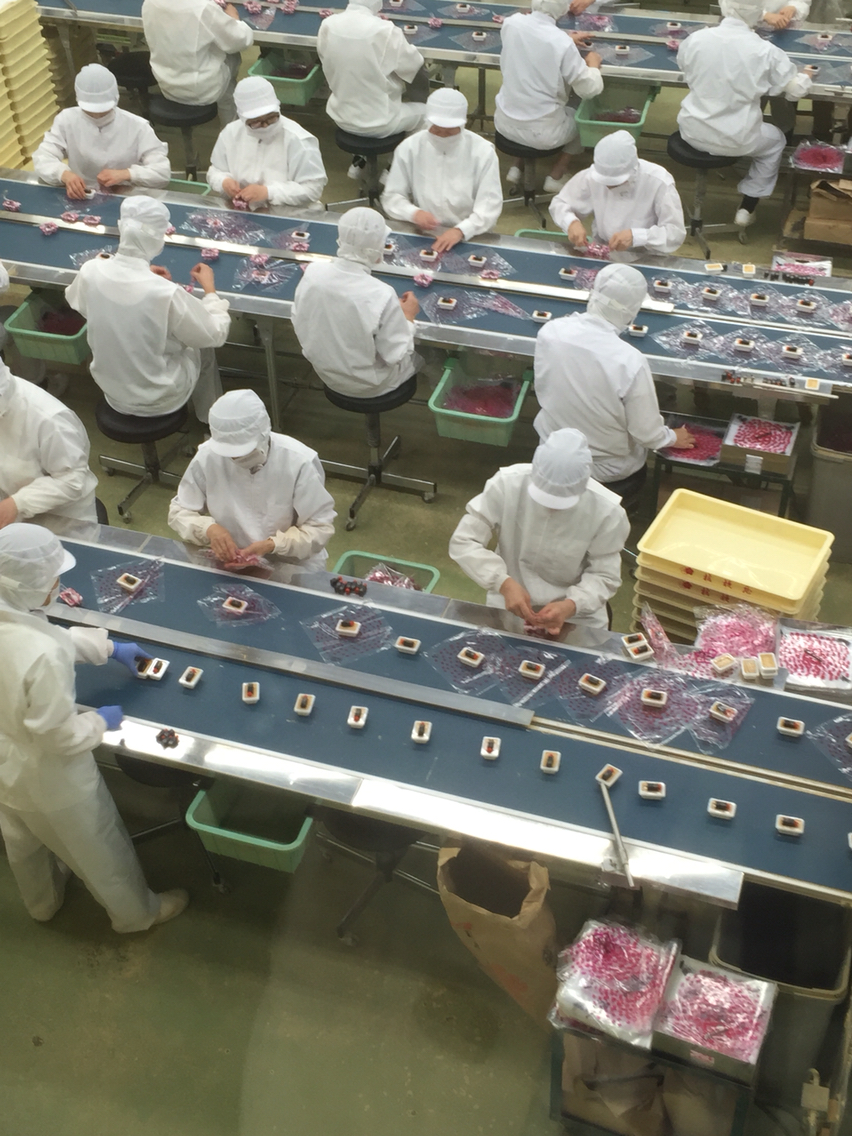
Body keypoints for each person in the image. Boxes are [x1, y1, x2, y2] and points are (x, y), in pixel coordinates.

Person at [0, 524, 188, 931]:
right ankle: (138, 915)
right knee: (99, 849)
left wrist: (107, 648)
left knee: (22, 841)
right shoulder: (42, 655)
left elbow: (29, 636)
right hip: (51, 777)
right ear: (27, 584)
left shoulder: (11, 614)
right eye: (52, 578)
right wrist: (101, 721)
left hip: (5, 762)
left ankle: (42, 904)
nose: (57, 584)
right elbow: (59, 736)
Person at [533, 264, 694, 498]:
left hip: (553, 454)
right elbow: (646, 434)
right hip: (608, 469)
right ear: (632, 310)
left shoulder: (550, 332)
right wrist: (671, 437)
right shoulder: (629, 361)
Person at [65, 196, 230, 424]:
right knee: (204, 347)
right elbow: (216, 334)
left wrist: (138, 277)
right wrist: (210, 292)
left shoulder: (90, 270)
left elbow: (81, 303)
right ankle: (212, 420)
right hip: (160, 398)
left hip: (112, 391)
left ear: (122, 228)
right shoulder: (164, 292)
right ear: (157, 239)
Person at [449, 429, 629, 636]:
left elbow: (604, 575)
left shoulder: (607, 511)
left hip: (576, 614)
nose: (551, 509)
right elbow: (464, 541)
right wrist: (503, 583)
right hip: (509, 600)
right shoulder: (507, 484)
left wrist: (571, 605)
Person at [677, 0, 811, 226]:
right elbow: (795, 90)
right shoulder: (766, 51)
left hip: (691, 130)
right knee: (776, 140)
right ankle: (747, 207)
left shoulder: (696, 39)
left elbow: (685, 68)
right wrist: (806, 76)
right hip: (736, 138)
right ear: (759, 13)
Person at [168, 389, 336, 570]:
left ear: (263, 434)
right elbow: (179, 512)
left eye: (242, 451)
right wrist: (209, 530)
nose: (235, 458)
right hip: (231, 559)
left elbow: (319, 527)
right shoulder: (209, 456)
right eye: (229, 453)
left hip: (290, 562)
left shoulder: (298, 461)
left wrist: (273, 544)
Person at [292, 207, 420, 399]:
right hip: (372, 386)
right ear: (377, 246)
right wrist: (408, 318)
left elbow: (298, 319)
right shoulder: (381, 294)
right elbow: (396, 355)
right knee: (425, 356)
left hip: (326, 375)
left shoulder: (313, 273)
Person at [494, 0, 603, 193]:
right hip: (544, 135)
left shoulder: (512, 23)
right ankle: (556, 175)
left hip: (504, 124)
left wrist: (565, 39)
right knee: (583, 113)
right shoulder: (561, 44)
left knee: (526, 95)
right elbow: (589, 89)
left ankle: (516, 167)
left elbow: (535, 39)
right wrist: (593, 65)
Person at [380, 88, 502, 253]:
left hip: (471, 236)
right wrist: (414, 213)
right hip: (424, 234)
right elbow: (392, 196)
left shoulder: (483, 152)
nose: (442, 136)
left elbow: (489, 205)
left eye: (449, 131)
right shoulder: (410, 147)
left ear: (462, 125)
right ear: (427, 122)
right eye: (437, 130)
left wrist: (462, 230)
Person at [32, 64, 170, 199]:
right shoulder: (67, 120)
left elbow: (162, 172)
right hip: (82, 195)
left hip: (126, 197)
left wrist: (127, 174)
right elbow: (43, 157)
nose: (96, 114)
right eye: (90, 110)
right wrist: (63, 174)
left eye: (103, 109)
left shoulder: (137, 127)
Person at [0, 358, 98, 538]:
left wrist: (17, 503)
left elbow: (71, 481)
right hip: (11, 522)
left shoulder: (50, 420)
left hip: (62, 525)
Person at [549, 130, 686, 256]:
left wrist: (637, 236)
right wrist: (571, 223)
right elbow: (560, 203)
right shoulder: (592, 176)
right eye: (605, 181)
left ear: (633, 170)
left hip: (648, 255)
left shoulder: (658, 181)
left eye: (616, 182)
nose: (609, 186)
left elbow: (674, 233)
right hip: (604, 250)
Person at [206, 76, 327, 212]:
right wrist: (224, 182)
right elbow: (215, 171)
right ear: (243, 119)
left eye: (271, 118)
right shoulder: (231, 133)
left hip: (288, 213)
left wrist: (268, 192)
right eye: (256, 122)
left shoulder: (298, 140)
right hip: (242, 212)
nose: (265, 126)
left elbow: (313, 189)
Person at [317, 0, 427, 148]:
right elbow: (414, 65)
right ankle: (398, 160)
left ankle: (360, 160)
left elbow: (326, 61)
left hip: (340, 117)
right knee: (429, 115)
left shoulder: (328, 25)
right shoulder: (386, 31)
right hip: (381, 122)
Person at [141, 0, 254, 123]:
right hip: (201, 90)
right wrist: (234, 18)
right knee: (232, 56)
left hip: (166, 83)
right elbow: (240, 41)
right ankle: (229, 124)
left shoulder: (150, 2)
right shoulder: (203, 7)